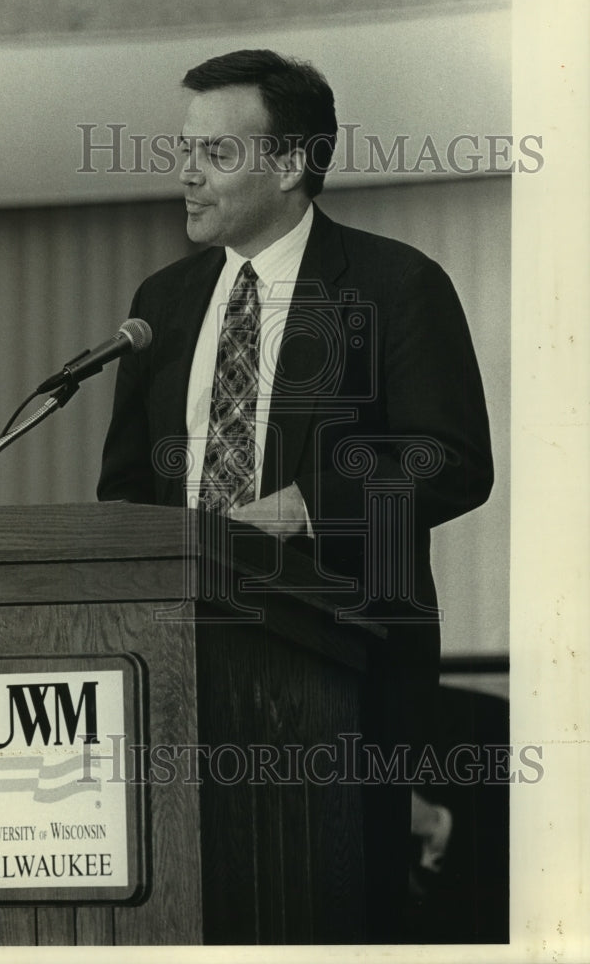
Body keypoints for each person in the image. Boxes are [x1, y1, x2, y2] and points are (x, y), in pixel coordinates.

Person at [98, 49, 493, 939]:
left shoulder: (395, 285)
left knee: (335, 919)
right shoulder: (162, 300)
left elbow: (454, 457)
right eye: (181, 149)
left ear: (289, 164)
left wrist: (303, 506)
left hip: (338, 670)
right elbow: (128, 488)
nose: (187, 173)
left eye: (216, 153)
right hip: (175, 670)